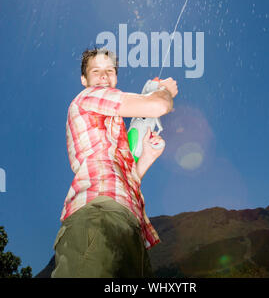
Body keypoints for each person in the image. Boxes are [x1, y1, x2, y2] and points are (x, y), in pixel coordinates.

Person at [51, 47, 178, 278]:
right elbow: (158, 106)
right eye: (96, 71)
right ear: (84, 79)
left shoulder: (111, 123)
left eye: (110, 71)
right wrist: (164, 92)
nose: (104, 76)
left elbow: (126, 179)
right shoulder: (88, 97)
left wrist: (146, 157)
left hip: (128, 222)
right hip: (98, 219)